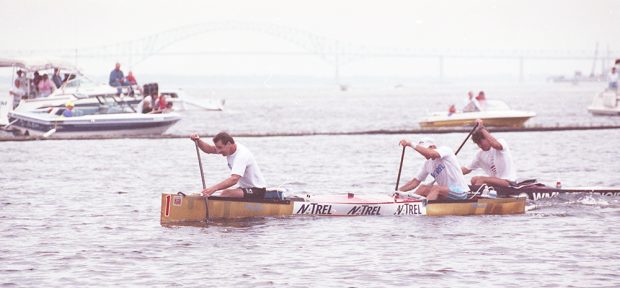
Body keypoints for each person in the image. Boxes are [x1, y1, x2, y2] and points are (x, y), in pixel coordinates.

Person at [190, 132, 267, 198]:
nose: (218, 151)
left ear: (229, 144)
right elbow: (209, 149)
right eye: (217, 148)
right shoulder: (229, 149)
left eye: (220, 147)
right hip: (244, 188)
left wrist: (213, 188)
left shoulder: (241, 155)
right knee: (221, 193)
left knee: (226, 193)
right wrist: (198, 140)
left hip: (258, 190)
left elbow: (234, 179)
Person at [397, 137, 469, 201]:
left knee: (436, 188)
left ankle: (424, 209)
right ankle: (409, 204)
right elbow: (414, 182)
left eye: (424, 149)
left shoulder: (445, 150)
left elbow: (430, 154)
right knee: (423, 188)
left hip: (460, 192)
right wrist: (398, 191)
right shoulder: (427, 164)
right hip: (445, 193)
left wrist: (410, 144)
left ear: (433, 146)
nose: (422, 153)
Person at [461, 119, 517, 187]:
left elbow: (495, 144)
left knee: (481, 180)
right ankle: (478, 194)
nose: (479, 146)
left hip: (508, 182)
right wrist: (449, 171)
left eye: (480, 142)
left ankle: (476, 196)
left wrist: (481, 128)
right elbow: (466, 169)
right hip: (496, 183)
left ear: (486, 138)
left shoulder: (501, 143)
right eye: (477, 143)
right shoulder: (479, 155)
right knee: (474, 179)